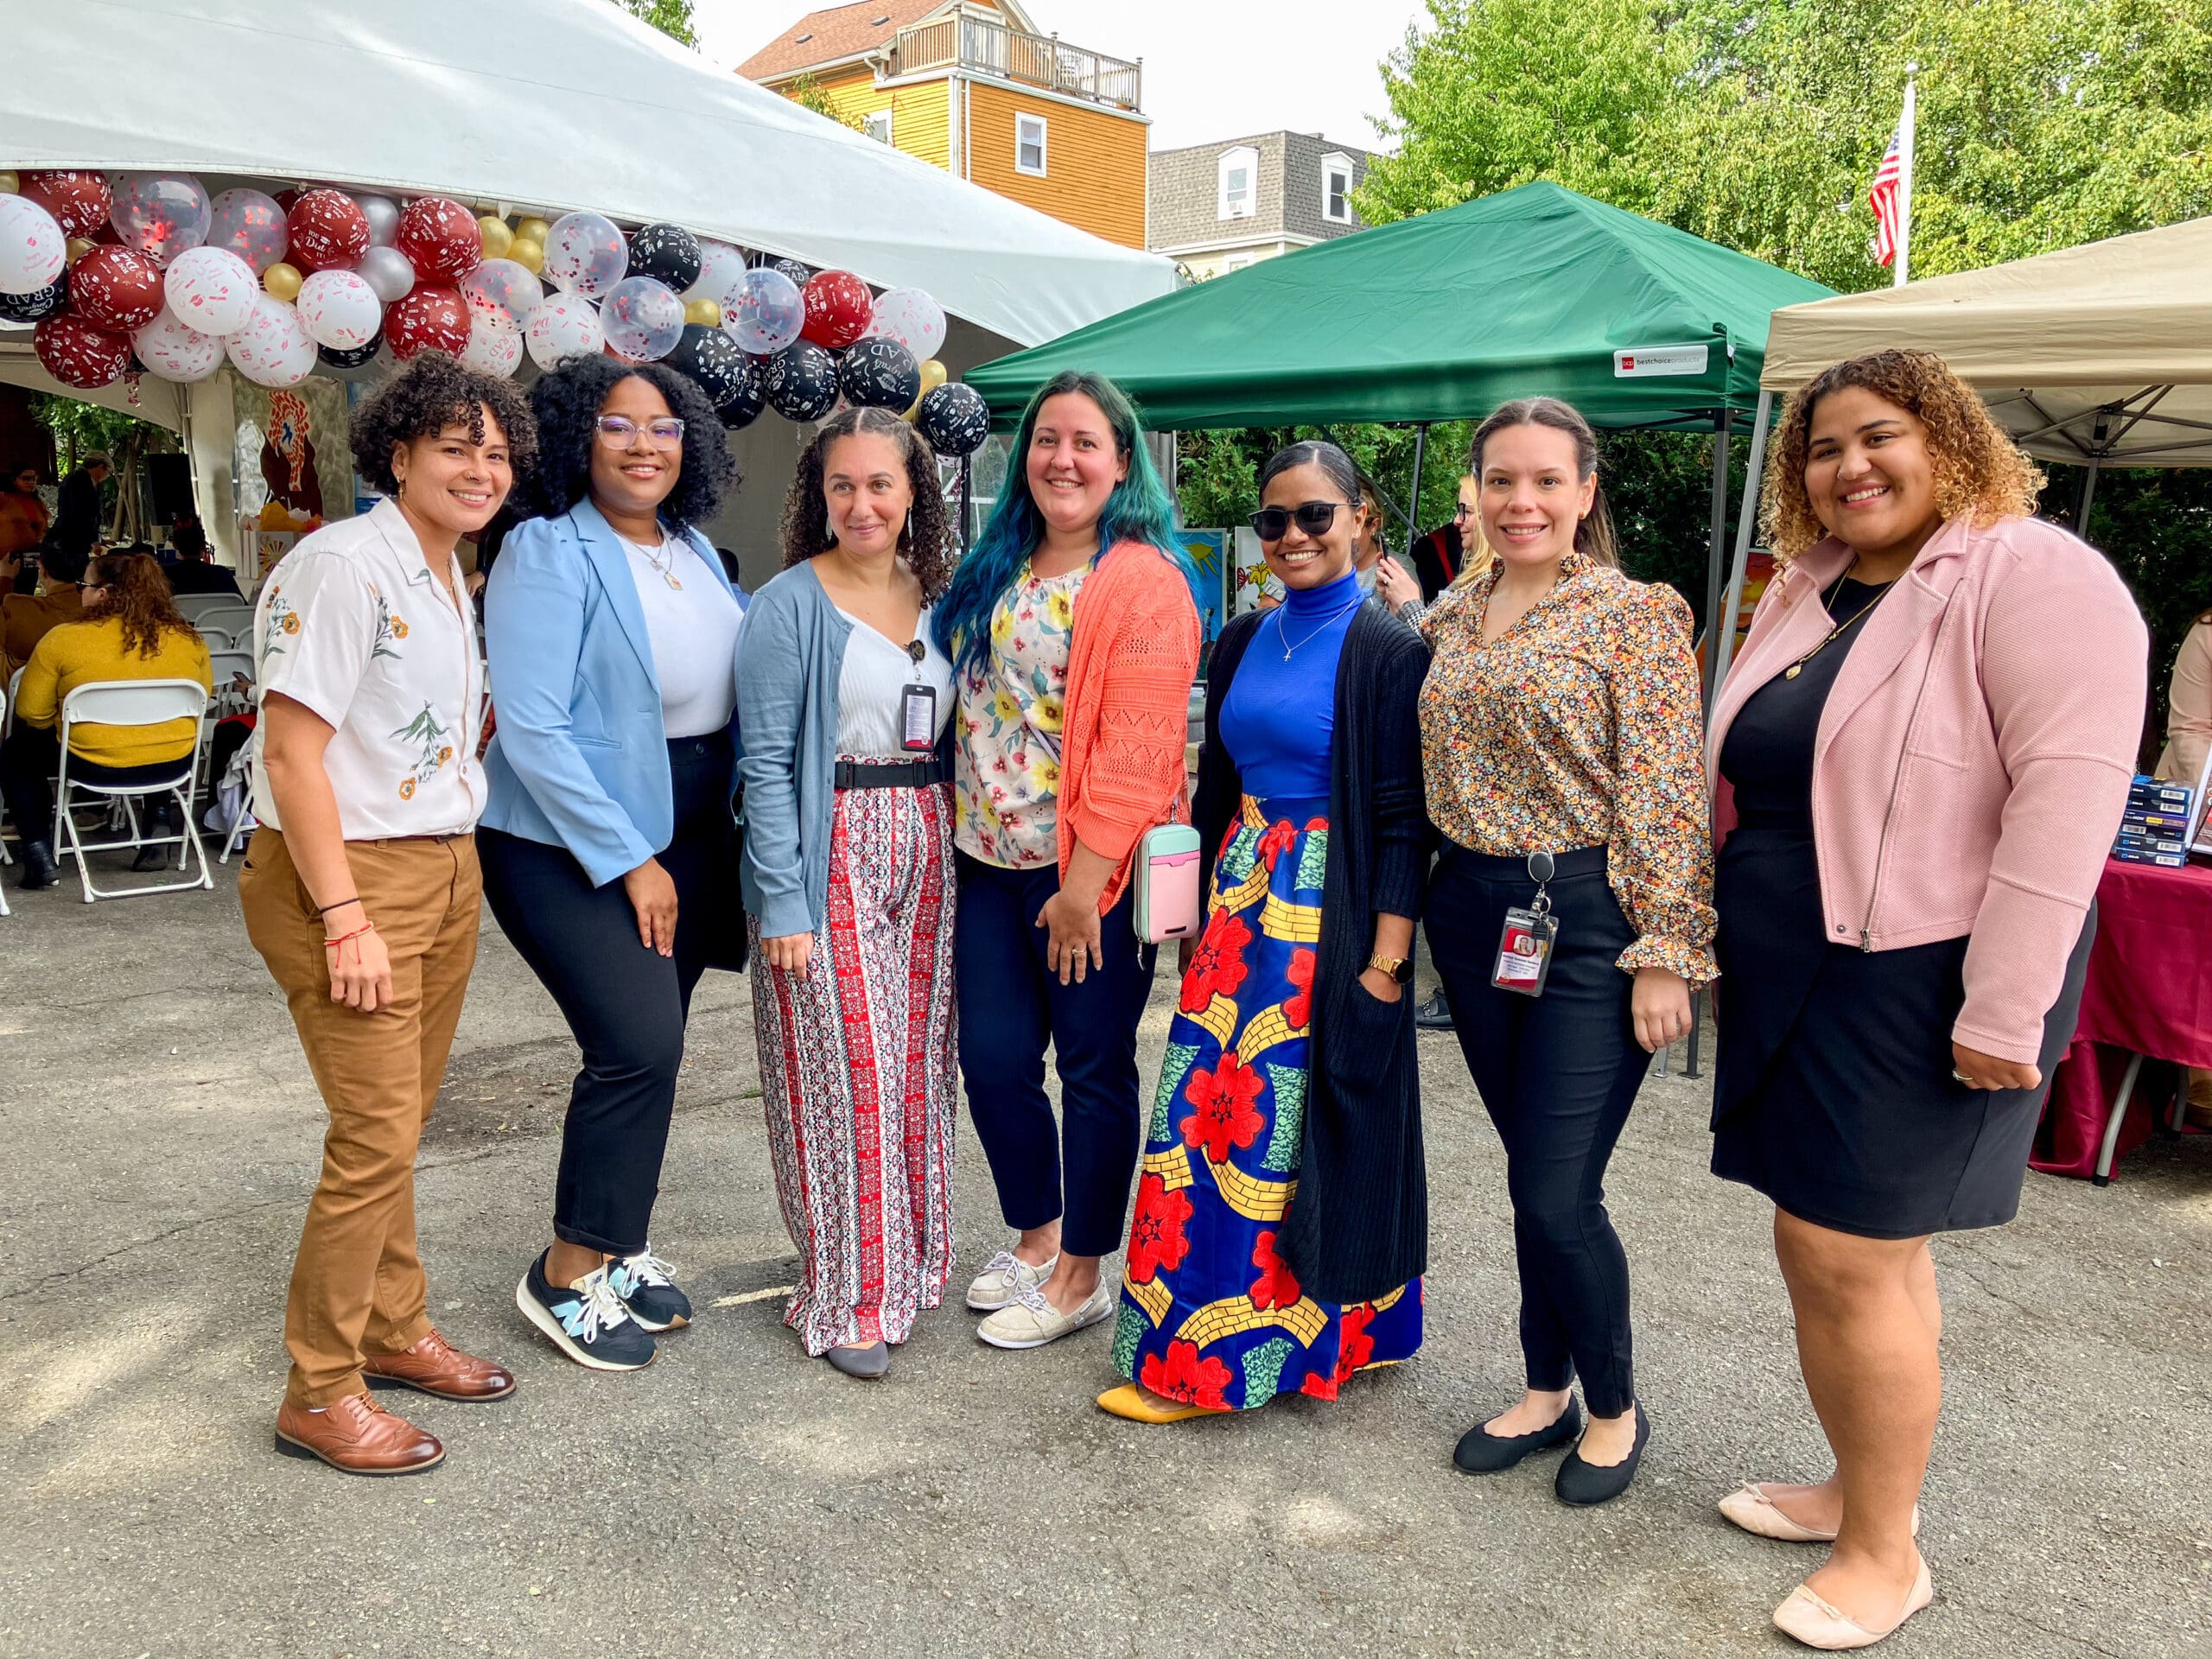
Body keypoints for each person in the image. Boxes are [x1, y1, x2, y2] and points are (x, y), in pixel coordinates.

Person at [1706, 349, 2145, 1649]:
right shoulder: (1816, 586)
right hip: (1801, 959)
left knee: (1857, 1254)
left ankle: (1886, 1554)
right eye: (1825, 449)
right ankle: (1857, 1487)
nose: (1852, 467)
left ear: (1947, 439)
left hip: (1924, 969)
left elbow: (2069, 800)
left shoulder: (2032, 571)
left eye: (1879, 436)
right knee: (1822, 1245)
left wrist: (2006, 1007)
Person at [238, 353, 533, 1475]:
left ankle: (392, 1327)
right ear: (398, 451)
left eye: (496, 452)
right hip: (347, 876)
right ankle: (320, 1388)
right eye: (455, 445)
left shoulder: (447, 567)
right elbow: (295, 753)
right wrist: (346, 917)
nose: (480, 467)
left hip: (439, 864)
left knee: (398, 1120)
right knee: (372, 1133)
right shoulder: (344, 565)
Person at [1098, 440, 1430, 1422]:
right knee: (1212, 1125)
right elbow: (1216, 788)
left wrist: (1384, 963)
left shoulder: (1391, 650)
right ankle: (1213, 1349)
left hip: (1327, 911)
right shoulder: (1243, 636)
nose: (1292, 536)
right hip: (1244, 904)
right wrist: (1190, 896)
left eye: (1315, 515)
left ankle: (1247, 1360)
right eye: (1274, 519)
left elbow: (1406, 818)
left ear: (1363, 519)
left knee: (1299, 1127)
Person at [1420, 397, 1712, 1507]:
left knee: (1553, 1190)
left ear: (1586, 492)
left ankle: (1615, 1405)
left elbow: (1668, 786)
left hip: (1588, 918)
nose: (1521, 501)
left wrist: (1664, 947)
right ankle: (1543, 1389)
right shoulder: (1453, 612)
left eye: (1546, 480)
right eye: (1502, 480)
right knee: (1537, 1176)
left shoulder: (1633, 614)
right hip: (1476, 914)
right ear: (1477, 493)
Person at [479, 355, 743, 1374]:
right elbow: (535, 729)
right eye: (617, 424)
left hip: (685, 828)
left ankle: (618, 1245)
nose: (643, 444)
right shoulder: (546, 551)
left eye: (664, 425)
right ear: (574, 439)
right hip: (564, 838)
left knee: (658, 1045)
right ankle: (564, 1268)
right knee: (635, 1045)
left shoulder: (696, 552)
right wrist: (631, 858)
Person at [931, 369, 1202, 1351]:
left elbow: (1138, 753)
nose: (1063, 459)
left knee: (1090, 1070)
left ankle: (1086, 1270)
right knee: (994, 1061)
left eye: (1086, 442)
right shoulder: (995, 564)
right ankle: (1038, 1237)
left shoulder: (1144, 582)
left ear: (1121, 463)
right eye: (1047, 440)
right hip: (986, 860)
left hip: (1090, 876)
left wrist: (1082, 890)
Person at [738, 407, 960, 1380]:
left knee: (918, 1068)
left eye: (880, 483)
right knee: (847, 1073)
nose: (862, 503)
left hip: (933, 840)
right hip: (831, 845)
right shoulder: (790, 604)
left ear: (914, 489)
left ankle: (908, 1266)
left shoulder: (943, 594)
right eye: (842, 485)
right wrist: (781, 898)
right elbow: (766, 760)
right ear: (816, 495)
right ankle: (848, 1293)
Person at [2, 549, 213, 889]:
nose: (79, 591)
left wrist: (65, 722)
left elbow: (31, 713)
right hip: (174, 764)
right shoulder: (189, 640)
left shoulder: (63, 640)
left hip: (91, 764)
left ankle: (38, 851)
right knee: (153, 730)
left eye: (83, 584)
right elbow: (203, 698)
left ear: (102, 594)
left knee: (17, 751)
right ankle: (157, 821)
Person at [2, 543, 87, 678]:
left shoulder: (15, 606)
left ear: (42, 570)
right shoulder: (96, 611)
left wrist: (5, 579)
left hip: (20, 694)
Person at [1351, 473, 1424, 622]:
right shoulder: (1326, 564)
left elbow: (1411, 628)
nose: (1345, 537)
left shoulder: (1399, 568)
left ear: (1373, 526)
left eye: (1354, 526)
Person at [1404, 473, 1476, 602]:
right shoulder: (1469, 575)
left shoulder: (1497, 580)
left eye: (1467, 511)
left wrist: (1408, 603)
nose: (1456, 521)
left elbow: (1438, 622)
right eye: (1460, 510)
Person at [52, 452, 111, 562]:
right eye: (108, 472)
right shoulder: (79, 481)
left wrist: (97, 538)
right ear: (100, 467)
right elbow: (82, 514)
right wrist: (94, 541)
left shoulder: (81, 479)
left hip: (73, 537)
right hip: (72, 538)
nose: (107, 476)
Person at [163, 518, 243, 599]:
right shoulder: (222, 575)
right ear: (203, 545)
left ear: (174, 544)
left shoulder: (162, 577)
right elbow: (243, 607)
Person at [1, 465, 51, 567]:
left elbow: (43, 528)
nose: (31, 482)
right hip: (7, 556)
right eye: (26, 478)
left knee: (29, 581)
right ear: (14, 479)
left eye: (34, 479)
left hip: (32, 554)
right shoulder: (3, 498)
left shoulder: (37, 502)